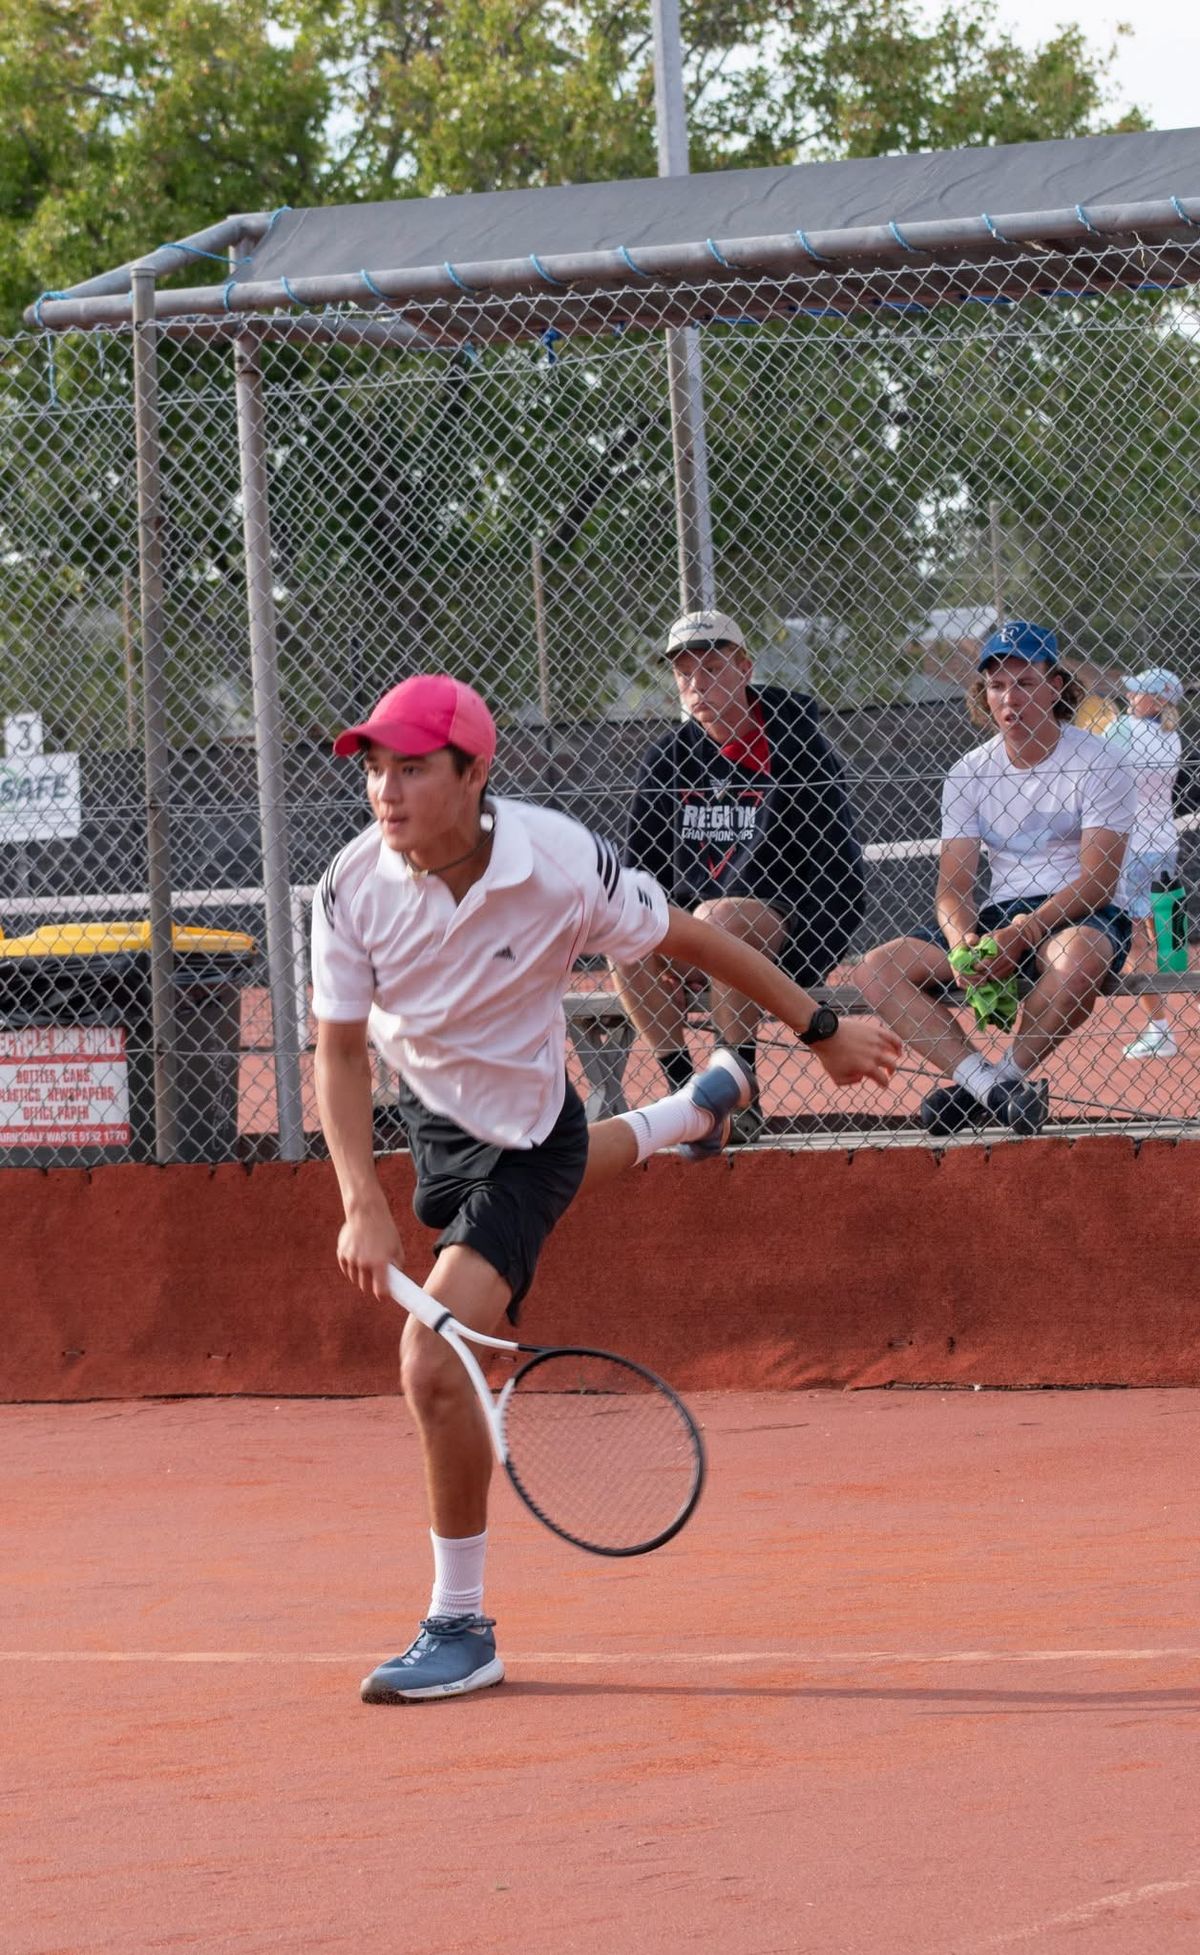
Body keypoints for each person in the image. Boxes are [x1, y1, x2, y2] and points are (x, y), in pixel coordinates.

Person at [311, 672, 901, 1704]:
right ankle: (691, 1111)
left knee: (433, 1354)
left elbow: (697, 938)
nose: (384, 790)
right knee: (577, 1168)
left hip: (530, 1134)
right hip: (435, 1122)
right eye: (373, 767)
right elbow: (341, 1055)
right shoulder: (348, 887)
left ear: (472, 771)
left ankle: (460, 1624)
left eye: (410, 767)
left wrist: (822, 1031)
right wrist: (360, 1196)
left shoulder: (557, 862)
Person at [856, 620, 1135, 1137]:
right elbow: (953, 887)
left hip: (1078, 911)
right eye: (996, 685)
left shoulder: (1101, 762)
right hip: (999, 914)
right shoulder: (968, 773)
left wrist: (1026, 932)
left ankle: (995, 1081)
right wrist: (964, 941)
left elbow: (1098, 880)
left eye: (1026, 682)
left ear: (1056, 686)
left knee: (1079, 960)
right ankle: (990, 1089)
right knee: (877, 969)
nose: (1010, 697)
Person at [613, 610, 865, 1141]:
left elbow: (839, 870)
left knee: (720, 918)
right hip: (694, 929)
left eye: (712, 667)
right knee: (624, 930)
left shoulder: (799, 748)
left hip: (782, 926)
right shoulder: (669, 759)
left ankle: (736, 1087)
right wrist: (654, 930)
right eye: (684, 673)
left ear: (745, 667)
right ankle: (687, 1093)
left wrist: (812, 951)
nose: (697, 684)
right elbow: (640, 870)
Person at [1100, 668, 1185, 1059]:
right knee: (1166, 937)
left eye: (1139, 692)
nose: (1131, 696)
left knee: (1136, 941)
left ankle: (1160, 1029)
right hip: (1165, 844)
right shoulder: (1172, 736)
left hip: (1131, 847)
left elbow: (1094, 762)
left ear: (1158, 700)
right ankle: (1170, 1021)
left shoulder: (1122, 729)